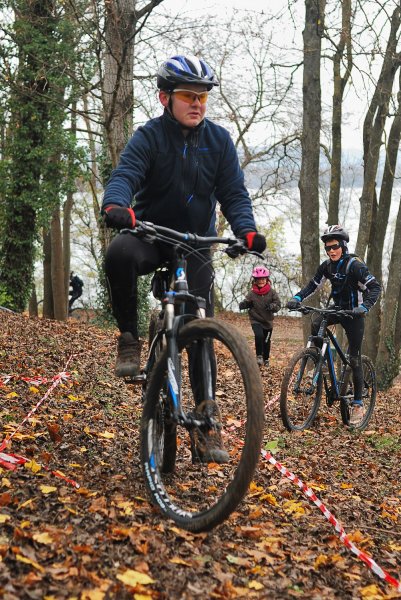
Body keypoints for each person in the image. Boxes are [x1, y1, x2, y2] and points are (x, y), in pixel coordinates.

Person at [101, 55, 266, 462]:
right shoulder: (149, 137)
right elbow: (125, 175)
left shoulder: (220, 141)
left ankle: (207, 420)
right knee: (118, 253)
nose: (198, 103)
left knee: (200, 329)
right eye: (189, 96)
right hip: (152, 235)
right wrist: (117, 204)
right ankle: (128, 338)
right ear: (165, 97)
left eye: (204, 97)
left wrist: (246, 230)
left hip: (195, 245)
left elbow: (234, 194)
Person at [286, 225, 381, 426]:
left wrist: (364, 307)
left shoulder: (355, 266)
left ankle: (357, 404)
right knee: (317, 320)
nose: (331, 251)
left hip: (354, 314)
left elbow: (375, 287)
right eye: (328, 248)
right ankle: (318, 360)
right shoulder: (327, 266)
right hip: (337, 309)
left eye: (335, 246)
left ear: (343, 246)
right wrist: (297, 298)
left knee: (354, 359)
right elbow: (313, 284)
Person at [239, 266, 281, 367]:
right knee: (259, 336)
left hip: (268, 321)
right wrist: (244, 304)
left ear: (267, 279)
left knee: (266, 341)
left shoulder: (272, 292)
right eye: (258, 279)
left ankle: (266, 359)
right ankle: (259, 356)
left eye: (263, 279)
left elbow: (278, 305)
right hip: (255, 318)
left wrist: (273, 306)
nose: (261, 281)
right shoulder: (252, 293)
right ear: (255, 280)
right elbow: (246, 302)